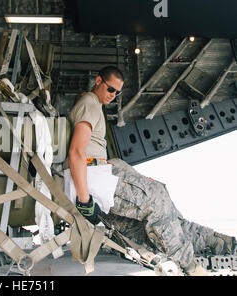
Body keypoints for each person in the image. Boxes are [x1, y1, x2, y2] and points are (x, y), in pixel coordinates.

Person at [66, 66, 236, 276]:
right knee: (156, 198)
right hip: (91, 177)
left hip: (96, 173)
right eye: (111, 89)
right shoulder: (90, 104)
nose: (114, 96)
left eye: (117, 92)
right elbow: (76, 152)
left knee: (153, 223)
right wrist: (84, 201)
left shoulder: (91, 104)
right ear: (98, 81)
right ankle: (192, 267)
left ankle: (213, 240)